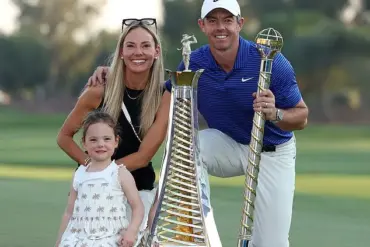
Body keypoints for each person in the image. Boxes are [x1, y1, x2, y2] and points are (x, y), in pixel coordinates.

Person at [89, 0, 309, 246]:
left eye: (227, 20)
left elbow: (301, 117)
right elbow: (160, 89)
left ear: (240, 23)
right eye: (212, 21)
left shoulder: (270, 62)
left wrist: (276, 113)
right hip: (227, 144)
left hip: (271, 151)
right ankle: (203, 234)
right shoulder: (194, 63)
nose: (220, 27)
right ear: (202, 26)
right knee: (191, 146)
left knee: (270, 243)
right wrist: (115, 71)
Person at [56, 17, 171, 243]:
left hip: (138, 191)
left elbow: (144, 156)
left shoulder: (164, 95)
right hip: (94, 194)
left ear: (156, 51)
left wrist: (107, 171)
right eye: (130, 45)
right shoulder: (99, 91)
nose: (138, 52)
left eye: (146, 45)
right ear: (120, 52)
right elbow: (64, 137)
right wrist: (93, 168)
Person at [55, 111, 145, 247]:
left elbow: (137, 207)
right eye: (93, 140)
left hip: (110, 237)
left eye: (106, 139)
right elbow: (69, 212)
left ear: (116, 142)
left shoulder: (120, 173)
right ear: (84, 143)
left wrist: (131, 232)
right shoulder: (79, 174)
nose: (100, 144)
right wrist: (60, 240)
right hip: (79, 238)